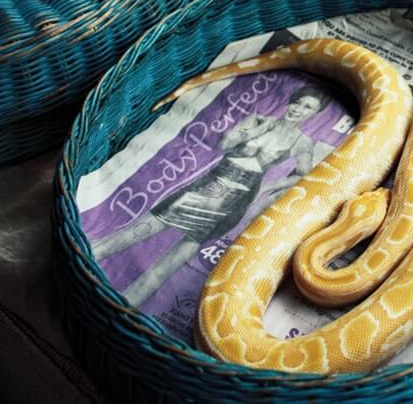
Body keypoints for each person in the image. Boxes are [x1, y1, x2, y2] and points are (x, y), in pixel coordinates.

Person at [91, 84, 332, 306]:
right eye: (297, 102)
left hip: (237, 199)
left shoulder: (303, 143)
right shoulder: (259, 119)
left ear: (315, 114)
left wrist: (268, 186)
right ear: (290, 102)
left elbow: (303, 174)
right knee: (149, 225)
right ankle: (90, 255)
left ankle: (126, 305)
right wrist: (255, 130)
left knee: (181, 254)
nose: (299, 109)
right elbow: (225, 144)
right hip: (213, 181)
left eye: (307, 107)